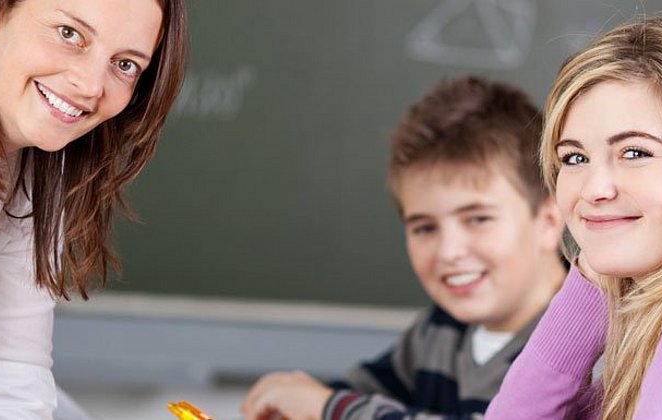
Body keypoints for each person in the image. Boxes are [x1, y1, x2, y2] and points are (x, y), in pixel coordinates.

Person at [240, 76, 567, 420]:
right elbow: (355, 394)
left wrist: (329, 408)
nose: (448, 252)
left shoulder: (582, 346)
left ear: (548, 221)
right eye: (425, 227)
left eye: (478, 219)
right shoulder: (438, 332)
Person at [0, 0, 186, 417]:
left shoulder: (36, 166)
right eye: (69, 34)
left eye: (125, 65)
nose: (90, 85)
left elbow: (7, 371)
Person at [485, 13, 662, 420]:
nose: (593, 189)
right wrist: (590, 282)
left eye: (635, 152)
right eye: (574, 158)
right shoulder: (645, 326)